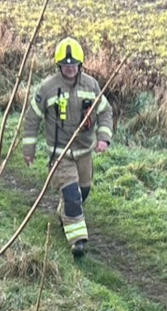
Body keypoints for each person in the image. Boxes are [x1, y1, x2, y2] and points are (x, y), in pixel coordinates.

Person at [22, 38, 113, 259]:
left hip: (84, 153)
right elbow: (32, 118)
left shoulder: (91, 86)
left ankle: (66, 214)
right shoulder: (47, 88)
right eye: (65, 65)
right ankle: (77, 242)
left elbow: (105, 111)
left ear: (80, 65)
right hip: (60, 154)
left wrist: (103, 138)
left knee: (83, 193)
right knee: (73, 197)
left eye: (73, 65)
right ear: (58, 66)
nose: (70, 69)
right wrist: (29, 148)